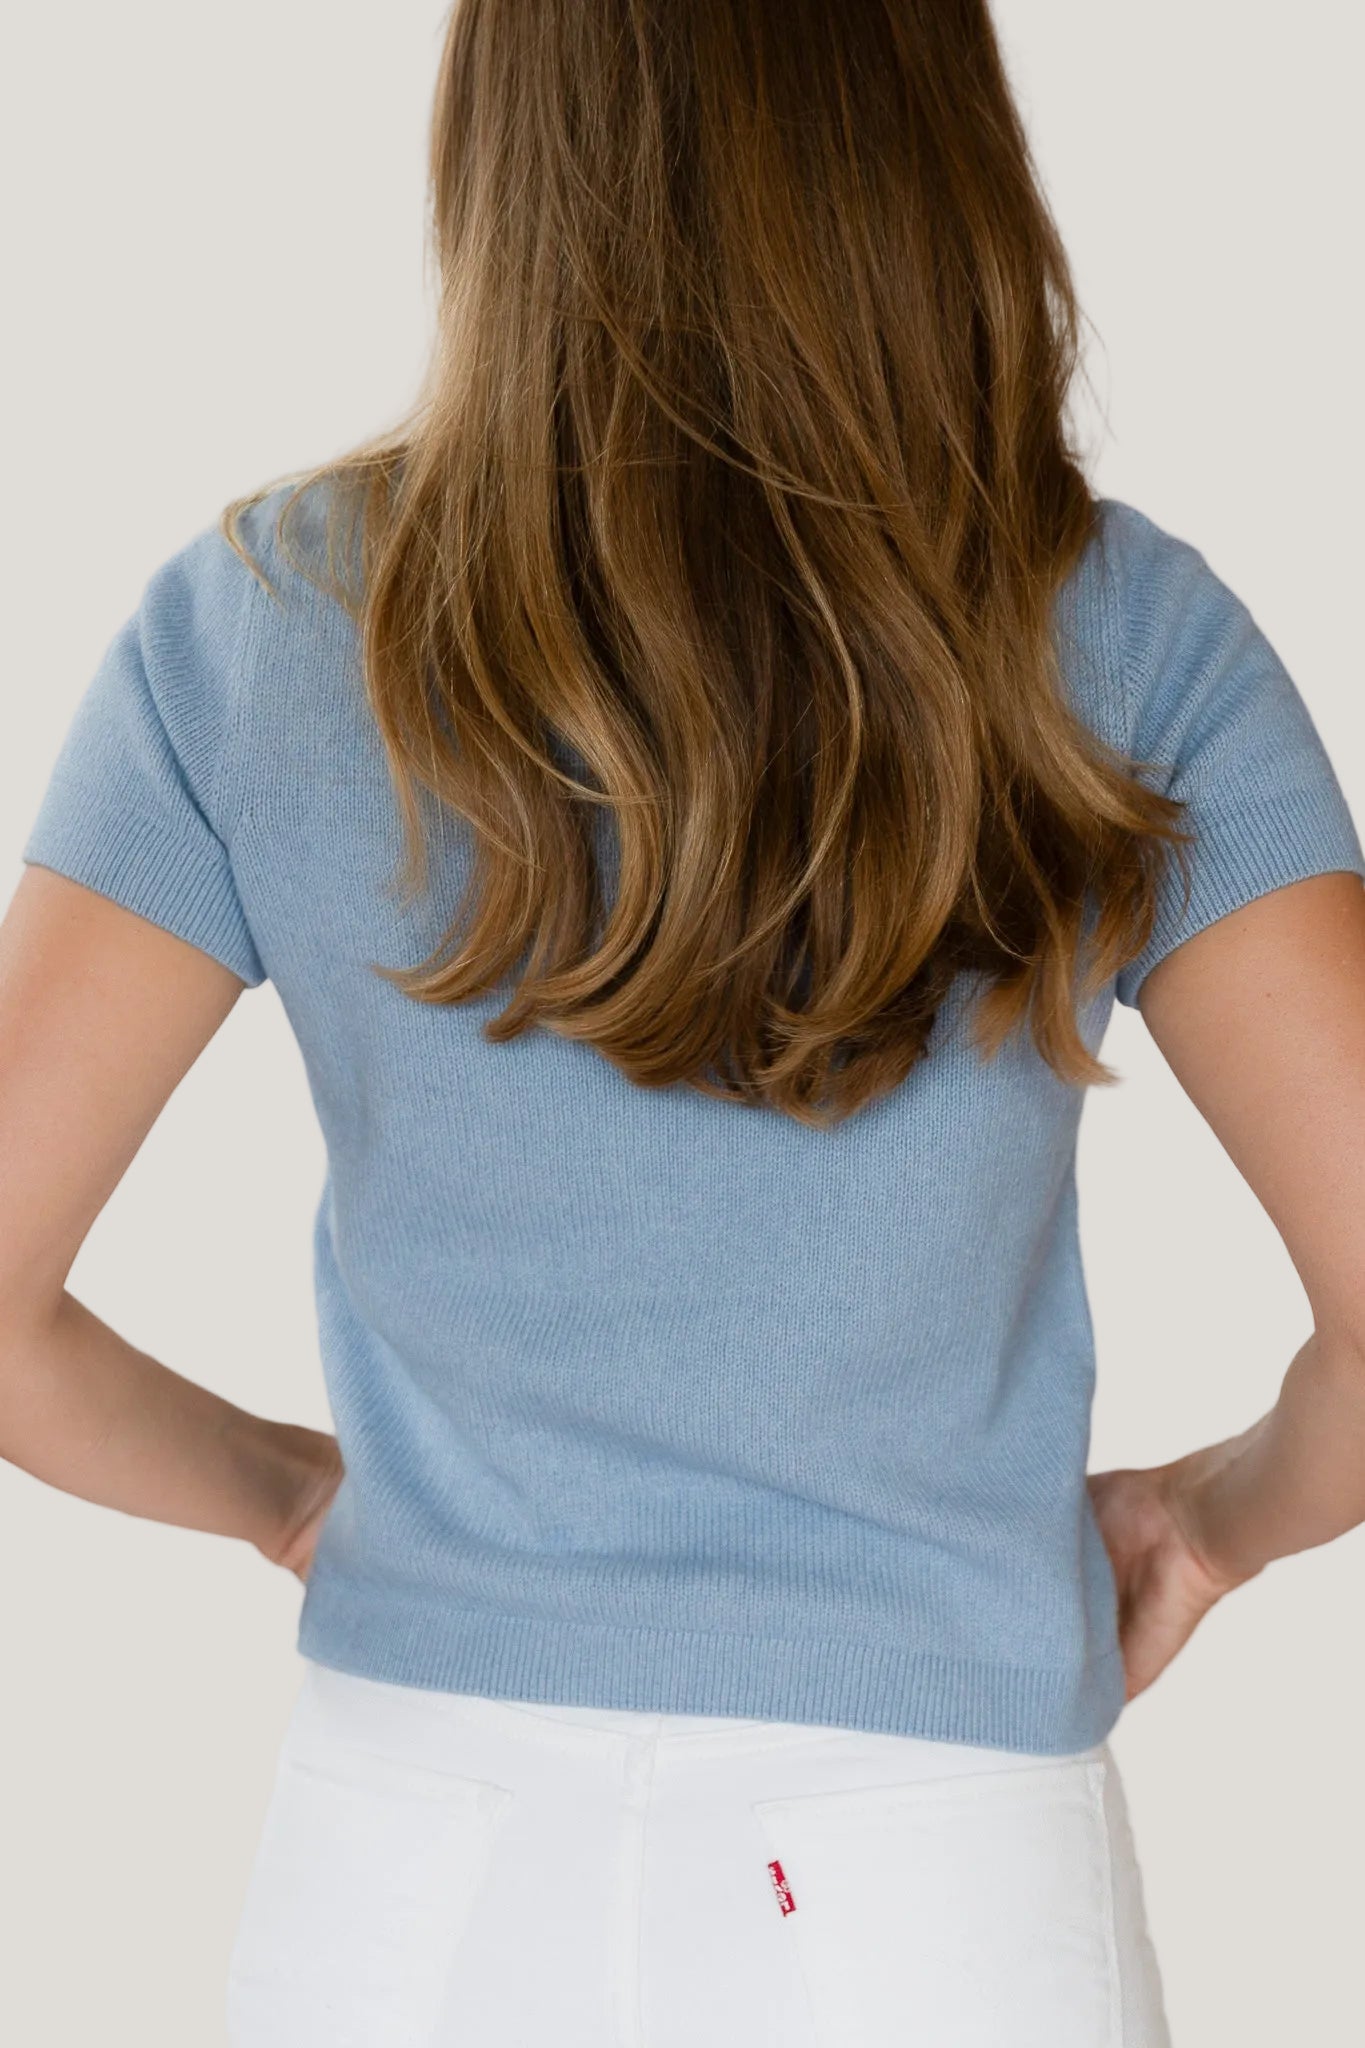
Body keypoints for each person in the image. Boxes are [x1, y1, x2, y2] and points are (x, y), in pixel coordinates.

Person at [3, 2, 1363, 2042]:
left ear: (504, 141)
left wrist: (283, 1488)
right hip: (940, 1872)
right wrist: (1208, 1521)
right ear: (934, 131)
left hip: (417, 1860)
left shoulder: (261, 623)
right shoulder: (1122, 627)